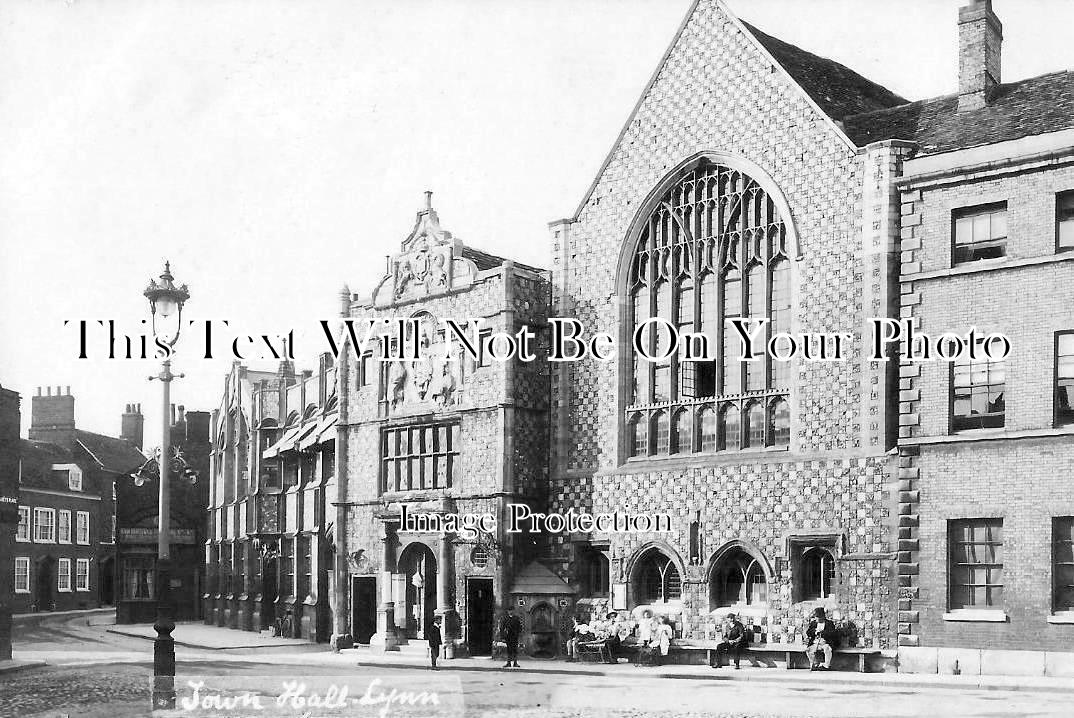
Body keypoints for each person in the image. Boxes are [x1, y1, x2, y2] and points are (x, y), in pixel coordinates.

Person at [806, 607, 839, 671]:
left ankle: (826, 665)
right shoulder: (813, 623)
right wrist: (815, 632)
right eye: (815, 617)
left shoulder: (829, 623)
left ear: (822, 617)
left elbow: (832, 634)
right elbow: (808, 632)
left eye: (817, 617)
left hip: (825, 642)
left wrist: (822, 633)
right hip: (815, 643)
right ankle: (815, 664)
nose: (815, 619)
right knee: (808, 650)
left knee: (827, 649)